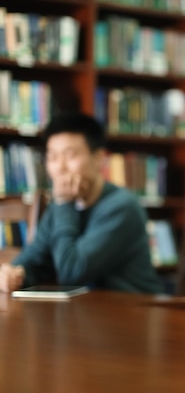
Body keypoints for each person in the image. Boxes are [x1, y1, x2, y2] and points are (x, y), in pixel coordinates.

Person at [0, 113, 164, 294]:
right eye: (52, 157)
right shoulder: (60, 207)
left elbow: (72, 272)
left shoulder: (122, 207)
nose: (60, 167)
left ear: (99, 158)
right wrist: (14, 273)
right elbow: (35, 257)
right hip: (86, 314)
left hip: (134, 312)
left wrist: (64, 203)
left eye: (70, 156)